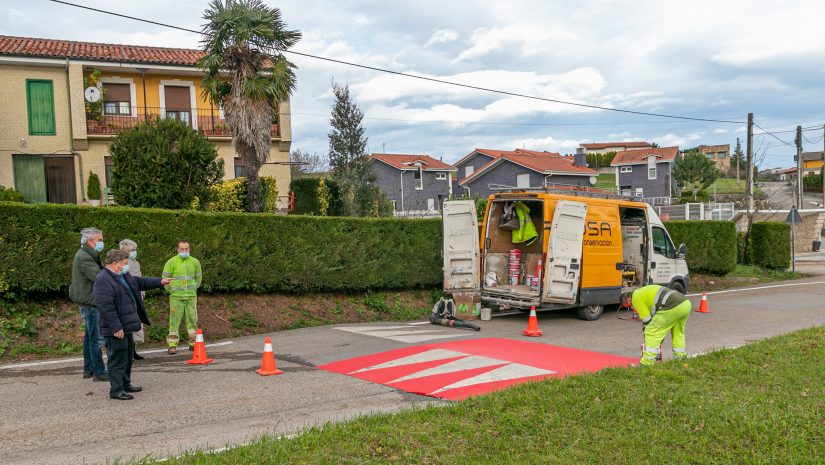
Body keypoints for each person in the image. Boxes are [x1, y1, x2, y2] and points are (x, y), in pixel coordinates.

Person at [93, 250, 171, 400]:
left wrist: (160, 281)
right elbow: (105, 306)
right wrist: (116, 327)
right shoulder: (103, 279)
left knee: (127, 357)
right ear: (114, 264)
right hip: (116, 328)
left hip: (127, 325)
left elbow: (139, 282)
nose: (126, 266)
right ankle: (116, 390)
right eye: (124, 263)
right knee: (117, 359)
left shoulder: (122, 275)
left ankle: (125, 383)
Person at [69, 227, 107, 381]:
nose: (102, 243)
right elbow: (99, 277)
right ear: (91, 241)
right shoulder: (85, 256)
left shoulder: (89, 254)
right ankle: (99, 371)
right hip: (90, 302)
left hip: (86, 300)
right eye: (100, 240)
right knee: (96, 338)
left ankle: (89, 369)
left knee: (89, 337)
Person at [621, 285, 691, 367]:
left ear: (628, 300)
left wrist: (646, 331)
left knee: (651, 331)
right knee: (678, 333)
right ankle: (680, 358)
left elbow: (647, 320)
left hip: (673, 306)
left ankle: (646, 363)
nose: (632, 308)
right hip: (685, 304)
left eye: (629, 306)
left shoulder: (635, 298)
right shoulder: (641, 292)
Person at [162, 241, 203, 355]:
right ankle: (172, 345)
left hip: (190, 297)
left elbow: (198, 279)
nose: (184, 251)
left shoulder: (195, 262)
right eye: (182, 249)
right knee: (174, 322)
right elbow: (165, 279)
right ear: (177, 249)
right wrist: (171, 291)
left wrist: (193, 289)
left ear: (189, 249)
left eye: (186, 249)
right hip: (176, 298)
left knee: (192, 321)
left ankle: (193, 344)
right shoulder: (171, 262)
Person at [119, 239, 146, 360]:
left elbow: (140, 280)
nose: (135, 252)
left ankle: (133, 350)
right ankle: (128, 352)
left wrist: (142, 294)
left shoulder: (136, 263)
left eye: (135, 250)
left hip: (137, 296)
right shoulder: (122, 263)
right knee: (129, 324)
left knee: (135, 323)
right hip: (128, 297)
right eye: (132, 250)